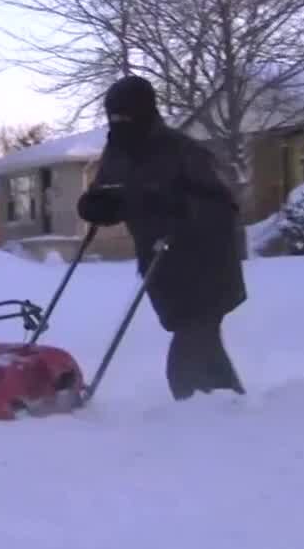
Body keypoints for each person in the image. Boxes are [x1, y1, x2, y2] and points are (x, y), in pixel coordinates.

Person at [76, 75, 247, 400]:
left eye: (126, 114)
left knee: (189, 351)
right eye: (113, 115)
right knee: (204, 347)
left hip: (207, 263)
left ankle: (192, 414)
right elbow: (116, 196)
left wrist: (178, 206)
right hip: (162, 265)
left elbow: (223, 206)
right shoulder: (118, 152)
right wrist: (97, 205)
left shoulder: (181, 151)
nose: (119, 122)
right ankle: (231, 409)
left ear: (144, 111)